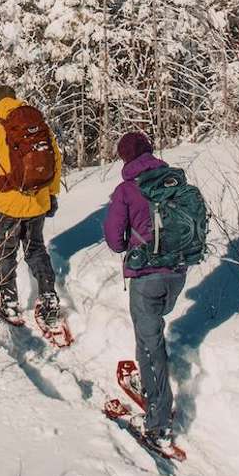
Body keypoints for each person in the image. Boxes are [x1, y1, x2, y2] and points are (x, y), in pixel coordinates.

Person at [102, 130, 193, 448]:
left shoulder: (127, 189)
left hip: (147, 276)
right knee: (149, 339)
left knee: (150, 344)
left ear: (125, 158)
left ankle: (158, 423)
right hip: (177, 273)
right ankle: (153, 389)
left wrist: (132, 241)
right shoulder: (174, 181)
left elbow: (114, 239)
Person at [0, 85, 63, 324]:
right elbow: (55, 158)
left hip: (8, 206)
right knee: (36, 249)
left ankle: (10, 302)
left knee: (6, 252)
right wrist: (51, 194)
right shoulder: (37, 122)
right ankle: (49, 298)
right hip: (37, 202)